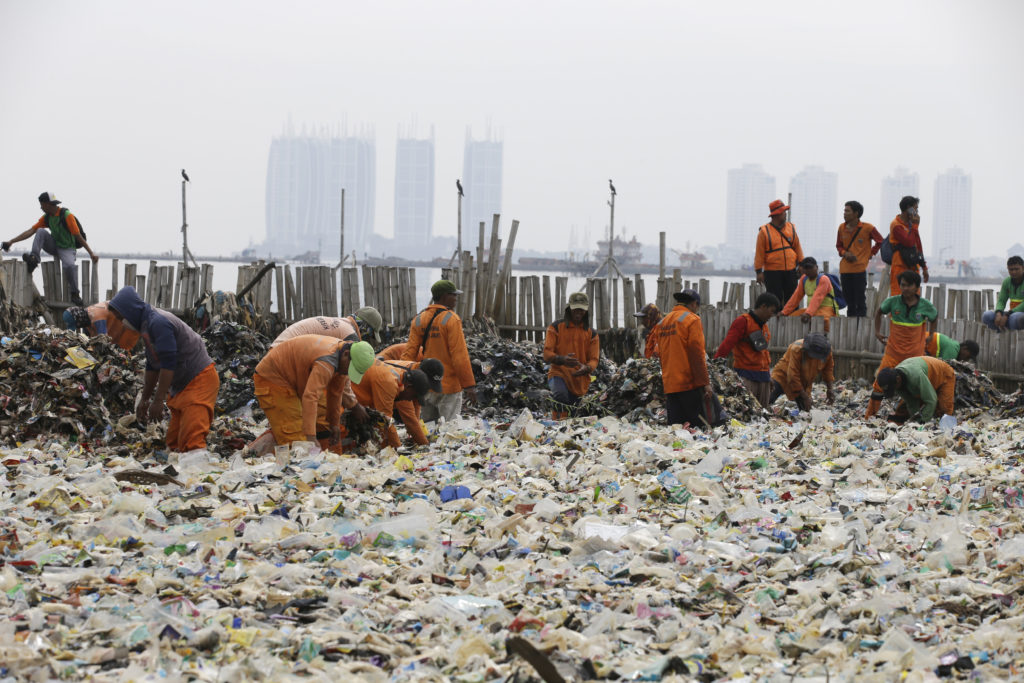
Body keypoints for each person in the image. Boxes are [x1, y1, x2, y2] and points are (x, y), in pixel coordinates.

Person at [107, 286, 219, 452]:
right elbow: (153, 364)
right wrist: (145, 399)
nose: (122, 322)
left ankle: (196, 476)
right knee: (173, 444)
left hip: (199, 379)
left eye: (121, 317)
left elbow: (168, 362)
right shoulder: (145, 325)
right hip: (181, 386)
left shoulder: (158, 322)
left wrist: (158, 401)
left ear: (130, 311)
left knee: (191, 443)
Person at [252, 335, 375, 453]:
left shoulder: (342, 359)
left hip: (291, 381)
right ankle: (254, 453)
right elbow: (310, 396)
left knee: (306, 429)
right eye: (350, 368)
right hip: (273, 378)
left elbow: (335, 393)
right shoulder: (327, 361)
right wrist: (311, 436)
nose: (347, 373)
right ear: (346, 354)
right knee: (296, 440)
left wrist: (334, 424)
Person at [1, 192, 98, 307]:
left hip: (67, 249)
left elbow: (78, 236)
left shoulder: (66, 216)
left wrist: (91, 253)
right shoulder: (47, 218)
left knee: (69, 266)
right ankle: (34, 258)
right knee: (40, 231)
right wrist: (11, 241)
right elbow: (30, 231)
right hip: (54, 245)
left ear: (47, 204)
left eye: (41, 205)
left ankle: (75, 293)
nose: (41, 208)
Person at [865, 270, 938, 418]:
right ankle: (870, 416)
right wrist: (877, 332)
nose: (905, 288)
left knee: (915, 388)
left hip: (914, 357)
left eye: (908, 285)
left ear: (916, 287)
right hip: (893, 352)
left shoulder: (925, 305)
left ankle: (908, 415)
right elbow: (879, 312)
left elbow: (934, 317)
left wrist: (931, 335)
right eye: (902, 285)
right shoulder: (893, 302)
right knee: (880, 383)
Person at [403, 280, 476, 421]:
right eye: (453, 295)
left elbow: (409, 353)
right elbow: (459, 356)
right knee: (449, 431)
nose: (456, 298)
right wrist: (469, 385)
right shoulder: (451, 319)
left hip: (426, 384)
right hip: (449, 387)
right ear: (444, 296)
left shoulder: (418, 319)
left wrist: (403, 380)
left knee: (429, 430)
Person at [352, 358, 442, 447]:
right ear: (409, 386)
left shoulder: (404, 379)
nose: (411, 400)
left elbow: (415, 413)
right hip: (353, 393)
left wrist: (417, 436)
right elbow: (385, 421)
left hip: (360, 393)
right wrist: (397, 448)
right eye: (413, 396)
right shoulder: (390, 383)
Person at [656, 289, 712, 427]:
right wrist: (705, 383)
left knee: (676, 429)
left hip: (670, 383)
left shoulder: (663, 322)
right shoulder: (692, 320)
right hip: (688, 384)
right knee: (696, 430)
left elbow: (659, 352)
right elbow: (697, 354)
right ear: (694, 304)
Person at [713, 292, 780, 408]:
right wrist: (714, 368)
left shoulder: (764, 326)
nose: (772, 315)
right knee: (746, 412)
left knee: (762, 415)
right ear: (763, 306)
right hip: (746, 377)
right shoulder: (743, 322)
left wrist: (769, 377)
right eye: (771, 311)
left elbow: (764, 353)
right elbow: (726, 346)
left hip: (763, 378)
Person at [543, 292, 600, 419]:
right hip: (558, 373)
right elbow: (547, 354)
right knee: (560, 396)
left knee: (574, 413)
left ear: (586, 311)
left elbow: (594, 359)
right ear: (569, 308)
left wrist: (587, 368)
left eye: (582, 310)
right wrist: (561, 359)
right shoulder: (556, 327)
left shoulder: (592, 333)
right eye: (576, 309)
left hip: (579, 379)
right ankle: (557, 426)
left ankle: (566, 431)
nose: (578, 312)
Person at [835, 200, 884, 317]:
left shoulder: (868, 228)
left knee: (860, 301)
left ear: (856, 214)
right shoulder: (841, 228)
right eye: (844, 211)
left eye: (847, 211)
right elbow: (838, 246)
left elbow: (881, 241)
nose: (844, 213)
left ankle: (860, 327)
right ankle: (851, 327)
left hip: (859, 270)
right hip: (845, 270)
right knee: (849, 302)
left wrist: (871, 253)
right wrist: (845, 253)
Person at [875, 356, 956, 423]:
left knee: (944, 410)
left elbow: (931, 400)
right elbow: (911, 402)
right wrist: (915, 421)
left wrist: (922, 422)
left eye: (893, 388)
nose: (895, 390)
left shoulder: (916, 376)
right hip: (928, 379)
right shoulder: (895, 382)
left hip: (944, 374)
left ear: (898, 379)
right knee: (903, 408)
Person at [754, 199, 804, 305]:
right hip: (772, 273)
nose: (785, 214)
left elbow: (798, 247)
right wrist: (759, 272)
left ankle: (791, 320)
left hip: (791, 271)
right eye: (783, 212)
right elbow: (759, 254)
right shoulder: (764, 232)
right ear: (776, 214)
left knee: (792, 301)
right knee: (774, 301)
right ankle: (774, 320)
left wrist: (801, 264)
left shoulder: (791, 228)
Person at [768, 333, 836, 411]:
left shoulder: (826, 351)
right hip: (782, 376)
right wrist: (805, 396)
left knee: (806, 410)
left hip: (803, 383)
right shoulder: (797, 348)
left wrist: (830, 389)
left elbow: (828, 370)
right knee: (766, 401)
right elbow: (792, 376)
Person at [271, 307, 384, 348]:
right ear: (365, 327)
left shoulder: (339, 323)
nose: (367, 340)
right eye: (370, 335)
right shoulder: (349, 335)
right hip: (282, 355)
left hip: (276, 348)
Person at [780, 257, 839, 332]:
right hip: (811, 310)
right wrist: (784, 312)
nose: (808, 270)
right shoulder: (803, 279)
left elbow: (817, 298)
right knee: (792, 317)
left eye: (810, 268)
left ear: (816, 267)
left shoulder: (823, 279)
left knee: (822, 322)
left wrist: (808, 314)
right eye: (806, 268)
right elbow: (796, 297)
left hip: (826, 309)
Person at [887, 196, 929, 296]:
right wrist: (915, 226)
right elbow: (908, 242)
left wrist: (924, 268)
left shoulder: (911, 225)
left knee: (915, 297)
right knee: (898, 296)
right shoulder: (896, 225)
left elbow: (918, 246)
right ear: (908, 208)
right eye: (915, 208)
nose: (917, 212)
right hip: (900, 266)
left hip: (913, 266)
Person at [63, 302, 140, 351]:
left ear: (79, 319)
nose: (78, 327)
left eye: (77, 325)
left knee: (123, 353)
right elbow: (89, 341)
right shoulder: (86, 318)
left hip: (129, 324)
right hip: (117, 329)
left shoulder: (97, 317)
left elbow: (103, 343)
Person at [981, 256, 1024, 332]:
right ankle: (998, 337)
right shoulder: (1006, 282)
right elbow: (1001, 300)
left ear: (1023, 268)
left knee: (1013, 318)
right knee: (987, 316)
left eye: (1016, 269)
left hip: (1018, 315)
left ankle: (1014, 341)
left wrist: (1007, 315)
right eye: (1011, 269)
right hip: (1012, 313)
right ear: (1007, 269)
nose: (1014, 272)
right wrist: (999, 313)